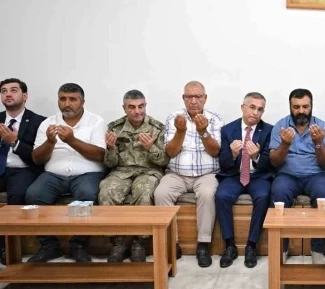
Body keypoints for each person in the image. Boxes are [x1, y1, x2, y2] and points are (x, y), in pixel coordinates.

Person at [25, 83, 106, 262]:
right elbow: (37, 158)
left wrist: (71, 140)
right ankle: (49, 245)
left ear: (82, 102)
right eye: (62, 99)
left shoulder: (96, 122)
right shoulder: (48, 123)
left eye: (72, 99)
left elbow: (100, 155)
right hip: (53, 175)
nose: (67, 104)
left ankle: (78, 245)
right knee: (34, 194)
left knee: (87, 194)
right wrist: (50, 142)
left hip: (87, 174)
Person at [154, 81, 223, 267]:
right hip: (177, 174)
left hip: (207, 174)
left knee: (207, 194)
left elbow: (216, 151)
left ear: (205, 98)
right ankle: (171, 243)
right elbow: (170, 152)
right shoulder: (174, 118)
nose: (193, 101)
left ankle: (203, 245)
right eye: (189, 97)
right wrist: (180, 131)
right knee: (160, 193)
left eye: (198, 96)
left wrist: (203, 132)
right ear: (183, 98)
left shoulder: (215, 119)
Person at [100, 90, 168, 262]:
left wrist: (150, 148)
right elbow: (109, 164)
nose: (137, 111)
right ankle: (118, 243)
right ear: (124, 108)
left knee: (144, 191)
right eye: (132, 107)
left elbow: (163, 161)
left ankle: (140, 242)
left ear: (145, 106)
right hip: (121, 171)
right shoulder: (114, 128)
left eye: (141, 106)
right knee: (106, 191)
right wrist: (110, 149)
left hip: (149, 171)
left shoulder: (157, 128)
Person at [269, 89, 325, 265]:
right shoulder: (280, 126)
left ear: (311, 106)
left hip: (316, 175)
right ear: (290, 107)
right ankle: (281, 249)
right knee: (278, 193)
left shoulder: (323, 127)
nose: (301, 111)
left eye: (305, 106)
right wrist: (285, 144)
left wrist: (318, 143)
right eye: (296, 107)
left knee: (323, 194)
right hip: (287, 175)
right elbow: (274, 161)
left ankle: (317, 249)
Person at [215, 92, 273, 268]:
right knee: (221, 196)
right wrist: (233, 154)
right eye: (252, 107)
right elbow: (223, 163)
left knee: (263, 196)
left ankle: (251, 246)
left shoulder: (269, 130)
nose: (255, 112)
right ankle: (230, 246)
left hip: (258, 176)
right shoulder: (228, 130)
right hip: (234, 175)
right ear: (243, 107)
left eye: (260, 109)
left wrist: (256, 157)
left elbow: (270, 164)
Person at [0, 78, 46, 265]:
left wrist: (14, 142)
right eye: (4, 91)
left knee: (18, 194)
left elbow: (38, 157)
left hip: (23, 169)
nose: (8, 94)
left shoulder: (38, 122)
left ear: (25, 96)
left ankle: (7, 248)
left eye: (13, 90)